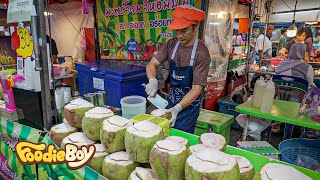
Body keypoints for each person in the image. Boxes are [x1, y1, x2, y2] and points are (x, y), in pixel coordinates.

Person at [144, 5, 211, 134]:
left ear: (195, 27)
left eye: (184, 30)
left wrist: (177, 108)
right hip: (171, 101)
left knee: (181, 138)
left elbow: (197, 88)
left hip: (189, 107)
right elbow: (152, 64)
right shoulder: (171, 45)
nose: (179, 36)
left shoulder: (201, 53)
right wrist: (152, 81)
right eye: (177, 31)